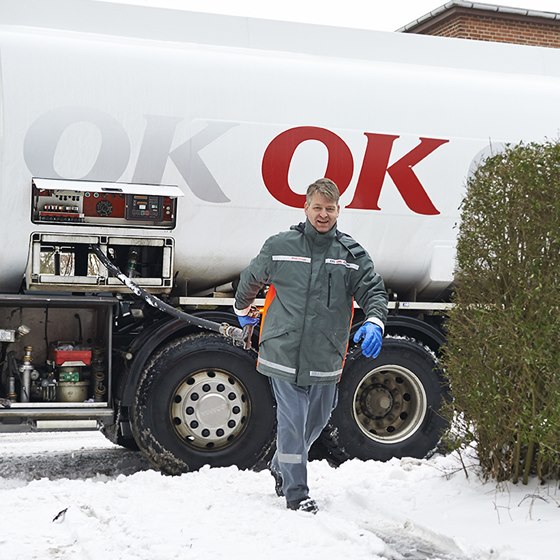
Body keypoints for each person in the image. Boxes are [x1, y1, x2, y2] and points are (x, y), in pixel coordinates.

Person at [234, 178, 388, 513]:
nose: (323, 214)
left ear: (338, 211)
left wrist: (375, 320)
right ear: (305, 208)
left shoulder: (350, 256)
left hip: (326, 354)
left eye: (329, 209)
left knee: (316, 419)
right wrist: (243, 311)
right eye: (317, 207)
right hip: (283, 350)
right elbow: (250, 278)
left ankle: (281, 464)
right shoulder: (280, 245)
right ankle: (296, 493)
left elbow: (373, 292)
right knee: (293, 419)